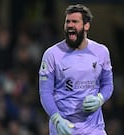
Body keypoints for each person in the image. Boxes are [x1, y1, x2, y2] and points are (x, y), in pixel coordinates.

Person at [38, 4, 114, 135]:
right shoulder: (51, 54)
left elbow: (107, 84)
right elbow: (45, 92)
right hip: (64, 128)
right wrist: (56, 119)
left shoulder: (101, 52)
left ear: (86, 26)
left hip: (94, 129)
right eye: (67, 21)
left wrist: (100, 99)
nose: (70, 25)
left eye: (75, 21)